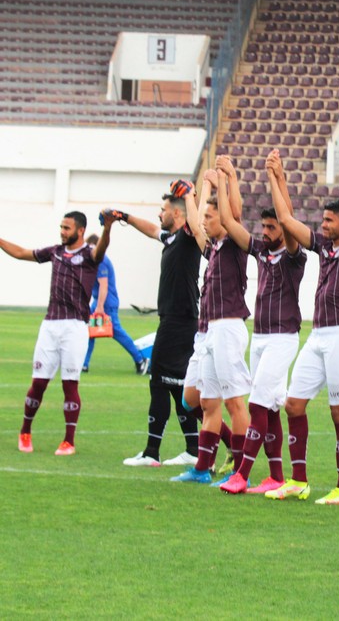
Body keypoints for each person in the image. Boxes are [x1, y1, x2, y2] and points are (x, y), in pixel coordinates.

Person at [265, 144, 339, 505]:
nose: (323, 226)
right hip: (318, 336)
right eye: (323, 221)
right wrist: (276, 177)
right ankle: (299, 480)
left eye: (329, 222)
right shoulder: (324, 248)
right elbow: (287, 220)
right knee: (294, 404)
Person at [218, 150, 306, 496]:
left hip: (284, 337)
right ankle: (276, 475)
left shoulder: (293, 255)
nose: (266, 231)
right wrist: (226, 180)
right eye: (264, 226)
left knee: (257, 404)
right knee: (268, 409)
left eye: (272, 227)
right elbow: (228, 222)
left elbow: (288, 219)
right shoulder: (260, 251)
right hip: (262, 337)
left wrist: (276, 177)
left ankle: (242, 473)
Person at [107, 180, 204, 467]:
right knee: (176, 387)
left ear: (178, 214)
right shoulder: (171, 238)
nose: (158, 214)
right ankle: (193, 449)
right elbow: (150, 229)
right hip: (174, 320)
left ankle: (152, 452)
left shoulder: (188, 234)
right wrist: (123, 217)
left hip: (179, 321)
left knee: (160, 383)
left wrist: (188, 194)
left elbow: (194, 219)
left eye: (163, 210)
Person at [2, 210, 111, 455]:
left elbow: (102, 247)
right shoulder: (55, 252)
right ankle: (25, 432)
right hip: (50, 325)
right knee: (38, 383)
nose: (62, 232)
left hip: (75, 327)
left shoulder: (90, 255)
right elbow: (21, 253)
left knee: (70, 385)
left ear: (80, 230)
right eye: (61, 227)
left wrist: (108, 227)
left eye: (66, 228)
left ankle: (68, 441)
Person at [170, 160, 251, 485]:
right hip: (207, 331)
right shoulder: (214, 248)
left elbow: (236, 212)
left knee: (233, 401)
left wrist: (227, 179)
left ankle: (239, 470)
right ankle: (203, 469)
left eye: (210, 215)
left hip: (228, 327)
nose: (203, 221)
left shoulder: (233, 243)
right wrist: (199, 192)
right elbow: (193, 219)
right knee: (199, 400)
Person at [81, 234, 148, 375]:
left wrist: (99, 307)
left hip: (106, 303)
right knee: (90, 333)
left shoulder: (101, 261)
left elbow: (103, 286)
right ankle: (84, 364)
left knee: (116, 332)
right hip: (98, 301)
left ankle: (140, 360)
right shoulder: (95, 260)